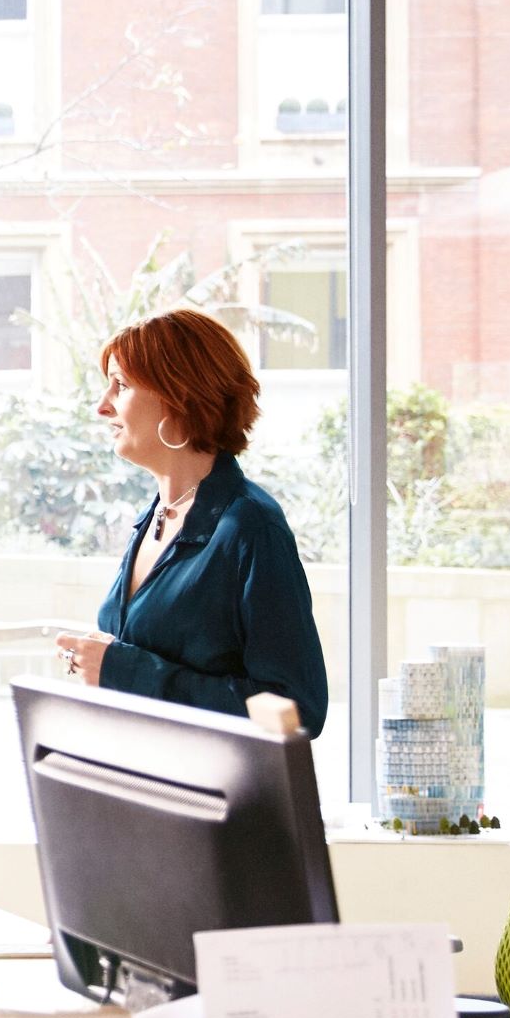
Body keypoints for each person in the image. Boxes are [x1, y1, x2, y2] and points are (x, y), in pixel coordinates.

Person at [53, 306, 329, 736]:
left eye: (120, 386)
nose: (101, 407)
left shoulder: (251, 528)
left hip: (214, 800)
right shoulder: (155, 517)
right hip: (146, 788)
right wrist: (107, 660)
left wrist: (126, 670)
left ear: (177, 398)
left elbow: (296, 710)